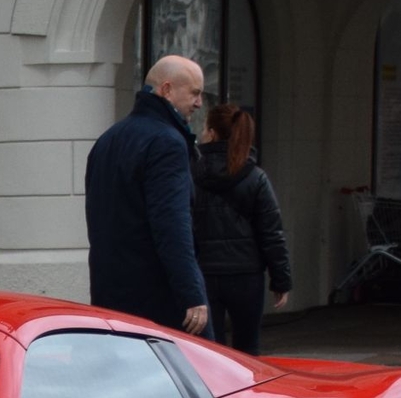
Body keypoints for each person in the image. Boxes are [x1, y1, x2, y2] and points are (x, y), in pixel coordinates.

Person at [85, 56, 209, 333]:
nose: (199, 103)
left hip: (110, 292)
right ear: (167, 89)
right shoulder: (167, 142)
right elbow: (172, 226)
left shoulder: (107, 139)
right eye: (195, 93)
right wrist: (192, 294)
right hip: (157, 297)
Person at [191, 103, 291, 354]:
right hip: (246, 275)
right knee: (248, 349)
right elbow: (271, 232)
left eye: (205, 128)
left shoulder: (189, 171)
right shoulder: (255, 177)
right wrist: (281, 279)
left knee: (208, 350)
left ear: (212, 132)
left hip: (203, 273)